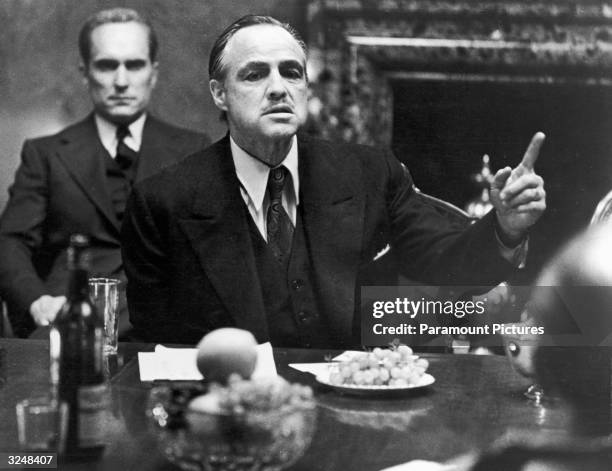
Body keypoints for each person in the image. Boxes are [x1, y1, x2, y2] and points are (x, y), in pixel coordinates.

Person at [122, 15, 546, 348]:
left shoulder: (369, 172)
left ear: (307, 86)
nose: (278, 88)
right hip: (234, 410)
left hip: (356, 400)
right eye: (254, 75)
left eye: (291, 72)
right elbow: (157, 346)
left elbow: (448, 262)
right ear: (219, 93)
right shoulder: (163, 201)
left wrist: (506, 227)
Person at [0, 8, 209, 338]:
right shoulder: (46, 154)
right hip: (71, 324)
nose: (121, 81)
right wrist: (37, 302)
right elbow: (9, 243)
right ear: (85, 73)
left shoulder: (193, 150)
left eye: (135, 65)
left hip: (166, 332)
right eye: (107, 65)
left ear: (153, 73)